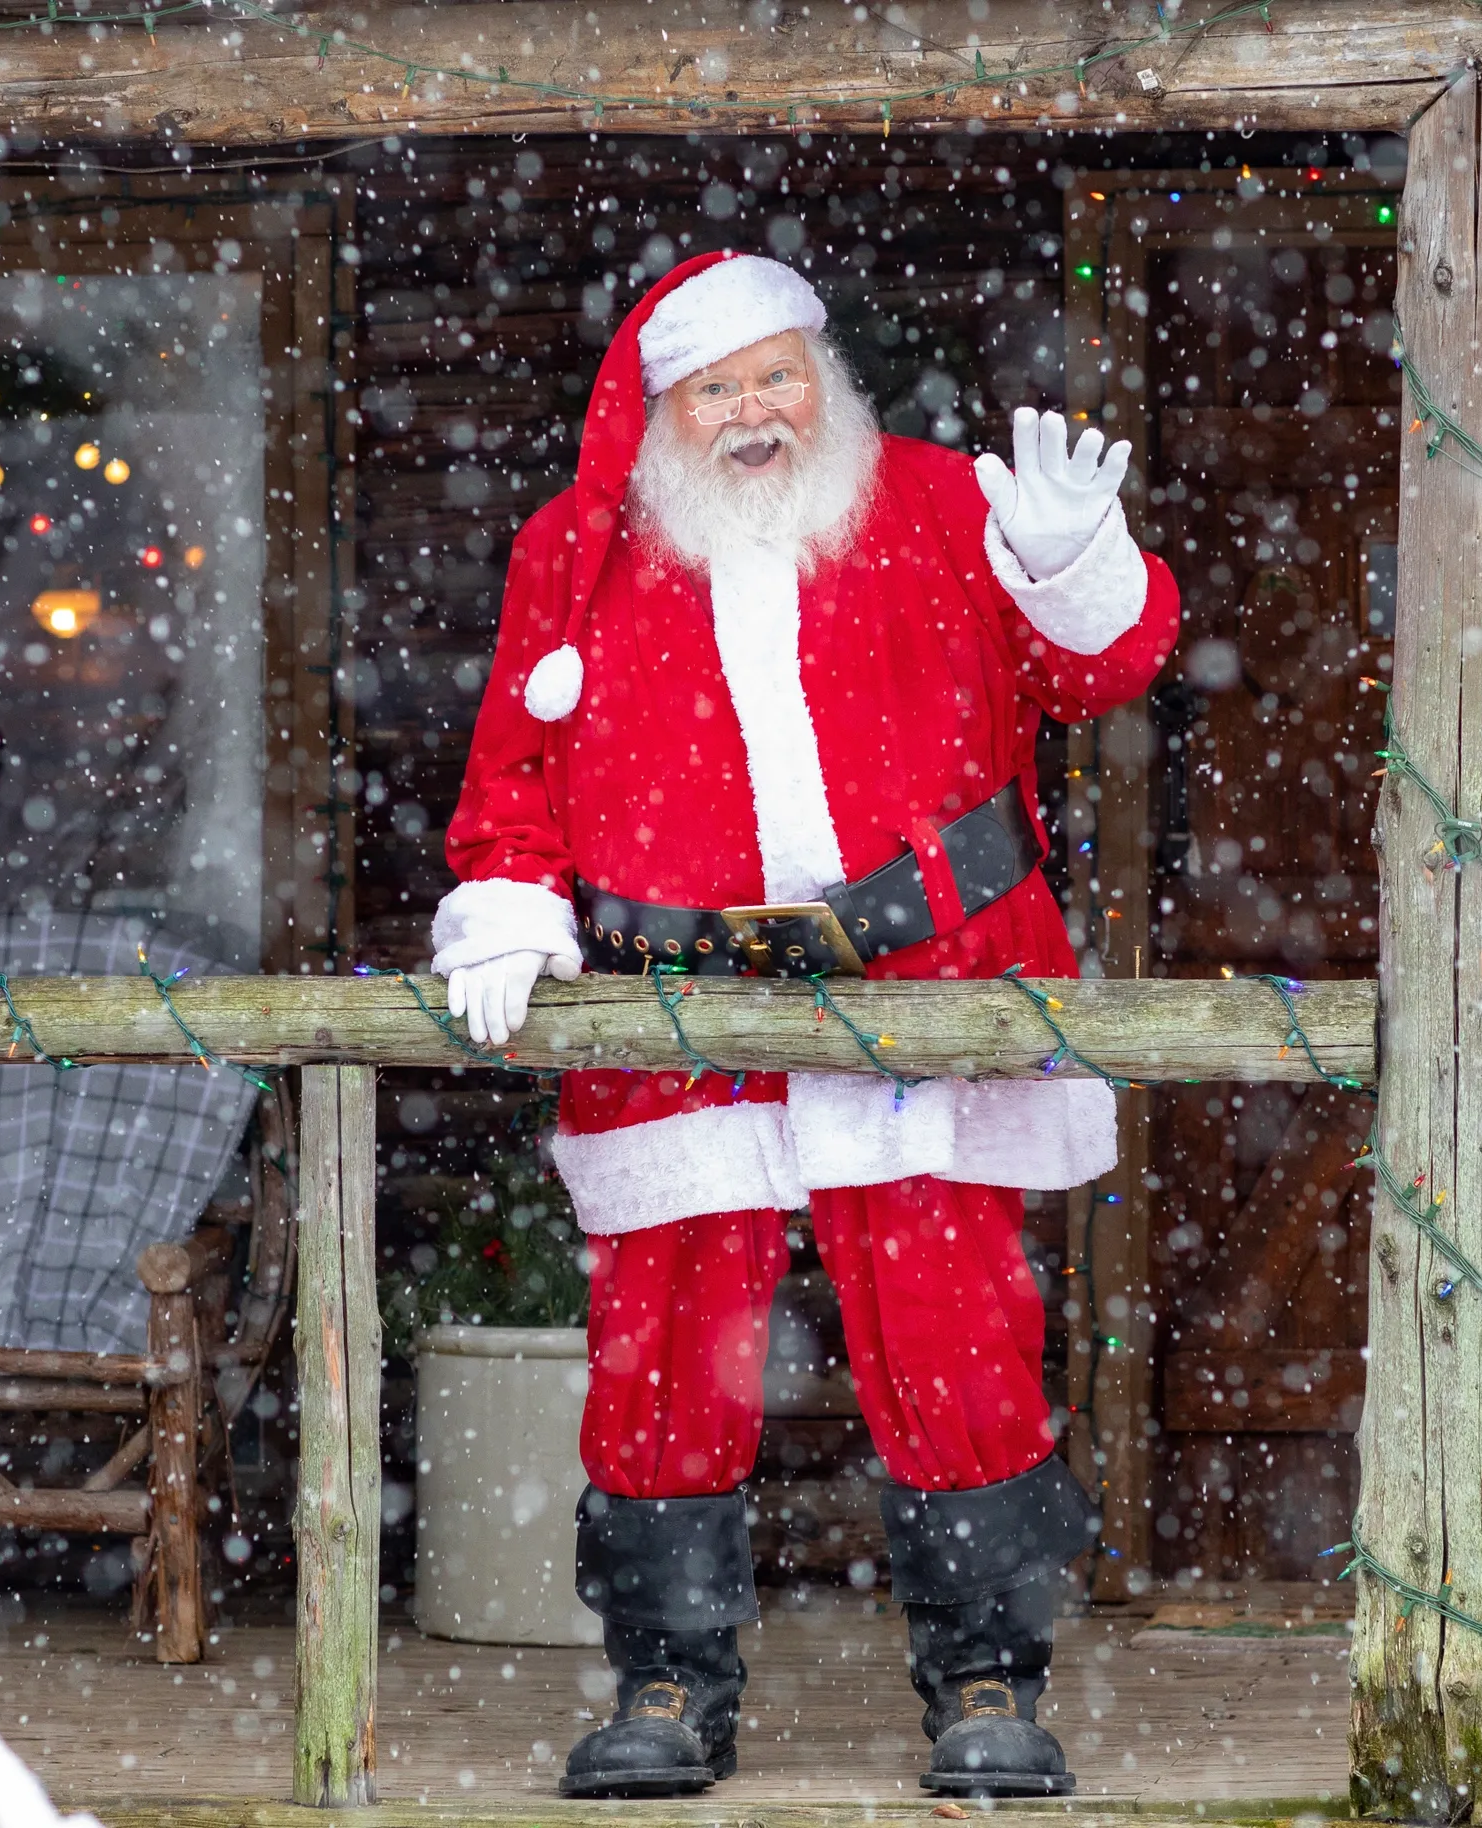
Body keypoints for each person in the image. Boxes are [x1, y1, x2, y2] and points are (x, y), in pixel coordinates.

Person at [431, 251, 1179, 1799]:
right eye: (719, 388)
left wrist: (1070, 562)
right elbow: (516, 765)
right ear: (665, 412)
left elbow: (1100, 671)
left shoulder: (940, 502)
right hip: (679, 1007)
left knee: (959, 1333)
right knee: (665, 1352)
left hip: (925, 991)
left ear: (822, 378)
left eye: (779, 375)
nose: (757, 411)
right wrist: (508, 902)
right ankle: (664, 1680)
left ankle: (987, 1675)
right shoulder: (579, 557)